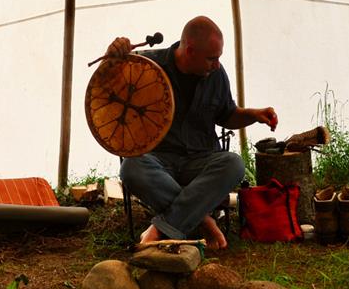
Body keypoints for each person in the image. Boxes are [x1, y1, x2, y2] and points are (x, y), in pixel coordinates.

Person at [106, 16, 278, 249]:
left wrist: (253, 114)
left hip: (200, 161)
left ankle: (161, 228)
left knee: (233, 164)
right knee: (132, 167)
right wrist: (111, 58)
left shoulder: (216, 74)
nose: (216, 64)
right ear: (190, 50)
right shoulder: (148, 67)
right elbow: (108, 91)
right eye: (211, 59)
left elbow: (226, 115)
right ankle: (203, 220)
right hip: (158, 162)